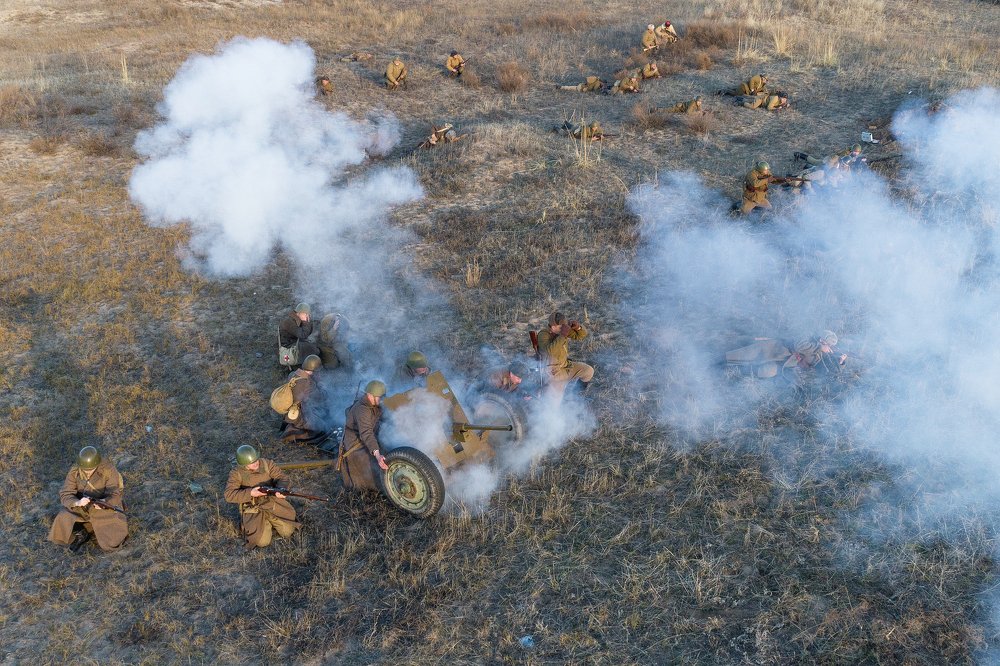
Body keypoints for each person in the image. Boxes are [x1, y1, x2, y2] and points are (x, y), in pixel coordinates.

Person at [49, 446, 128, 554]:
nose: (88, 473)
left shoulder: (108, 470)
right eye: (85, 470)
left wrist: (104, 502)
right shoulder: (75, 471)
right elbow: (66, 493)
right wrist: (77, 502)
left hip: (103, 507)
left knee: (112, 541)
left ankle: (90, 529)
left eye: (90, 470)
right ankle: (83, 531)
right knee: (63, 516)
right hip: (82, 506)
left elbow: (115, 494)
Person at [224, 445, 301, 549]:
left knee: (288, 532)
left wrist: (280, 489)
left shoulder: (266, 464)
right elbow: (229, 495)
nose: (256, 463)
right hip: (253, 506)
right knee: (262, 542)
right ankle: (262, 522)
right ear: (244, 465)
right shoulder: (236, 473)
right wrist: (250, 492)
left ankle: (270, 519)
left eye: (256, 459)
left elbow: (282, 478)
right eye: (251, 463)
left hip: (272, 502)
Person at [725, 330, 848, 379]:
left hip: (782, 364)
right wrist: (819, 347)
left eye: (830, 346)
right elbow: (798, 345)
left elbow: (824, 372)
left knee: (766, 372)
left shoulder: (820, 355)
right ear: (821, 340)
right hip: (773, 349)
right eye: (827, 344)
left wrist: (840, 362)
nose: (828, 347)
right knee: (739, 355)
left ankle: (734, 371)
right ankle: (717, 361)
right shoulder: (808, 338)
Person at [338, 380, 389, 490]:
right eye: (379, 397)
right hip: (356, 444)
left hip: (369, 438)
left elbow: (384, 418)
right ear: (370, 395)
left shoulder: (374, 404)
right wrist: (377, 455)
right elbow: (366, 433)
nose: (381, 400)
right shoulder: (362, 410)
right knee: (374, 471)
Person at [537, 312, 594, 396]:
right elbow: (550, 351)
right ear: (553, 326)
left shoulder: (560, 331)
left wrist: (578, 327)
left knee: (588, 371)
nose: (563, 328)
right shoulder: (543, 334)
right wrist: (563, 335)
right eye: (560, 326)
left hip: (565, 366)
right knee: (556, 400)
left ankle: (575, 396)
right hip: (553, 372)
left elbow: (581, 335)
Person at [280, 354, 330, 446]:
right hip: (300, 414)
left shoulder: (293, 375)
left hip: (289, 411)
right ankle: (292, 433)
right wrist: (321, 385)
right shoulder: (309, 383)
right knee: (322, 428)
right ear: (314, 371)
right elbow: (321, 397)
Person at [278, 302, 319, 368]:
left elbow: (308, 333)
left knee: (313, 346)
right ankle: (304, 366)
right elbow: (303, 335)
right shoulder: (289, 322)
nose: (307, 316)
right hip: (287, 346)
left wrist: (307, 322)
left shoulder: (296, 319)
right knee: (313, 349)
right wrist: (305, 322)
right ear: (300, 313)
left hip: (294, 341)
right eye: (306, 314)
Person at [794, 144, 863, 169]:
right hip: (830, 161)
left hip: (833, 160)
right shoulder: (845, 154)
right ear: (852, 150)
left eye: (857, 152)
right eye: (855, 152)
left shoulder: (851, 153)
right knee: (815, 163)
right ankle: (798, 155)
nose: (856, 154)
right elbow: (841, 162)